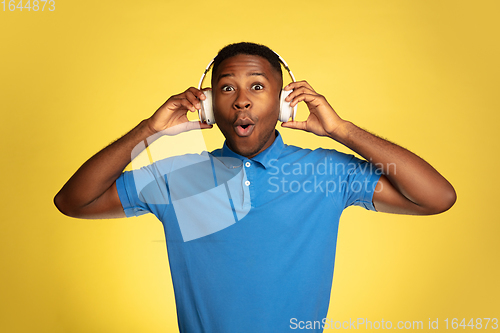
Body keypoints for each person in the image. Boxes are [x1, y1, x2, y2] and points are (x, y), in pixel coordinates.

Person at [54, 42, 456, 332]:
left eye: (258, 87)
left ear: (285, 102)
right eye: (227, 88)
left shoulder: (326, 172)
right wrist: (148, 132)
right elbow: (73, 200)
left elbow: (437, 197)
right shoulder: (177, 179)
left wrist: (342, 131)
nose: (242, 100)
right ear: (210, 105)